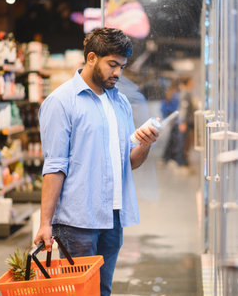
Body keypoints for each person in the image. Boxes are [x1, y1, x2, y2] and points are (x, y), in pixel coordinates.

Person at [34, 27, 158, 296]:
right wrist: (45, 223)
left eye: (122, 66)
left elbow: (129, 162)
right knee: (79, 293)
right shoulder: (62, 102)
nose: (118, 73)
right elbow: (55, 167)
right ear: (91, 58)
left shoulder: (120, 102)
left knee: (102, 290)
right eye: (112, 64)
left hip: (113, 218)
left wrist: (145, 144)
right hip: (76, 223)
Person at [175, 76, 195, 167]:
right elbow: (184, 109)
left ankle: (182, 160)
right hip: (185, 122)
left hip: (186, 121)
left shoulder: (186, 93)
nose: (193, 84)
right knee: (182, 142)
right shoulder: (185, 94)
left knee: (184, 142)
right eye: (191, 82)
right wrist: (183, 122)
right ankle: (181, 161)